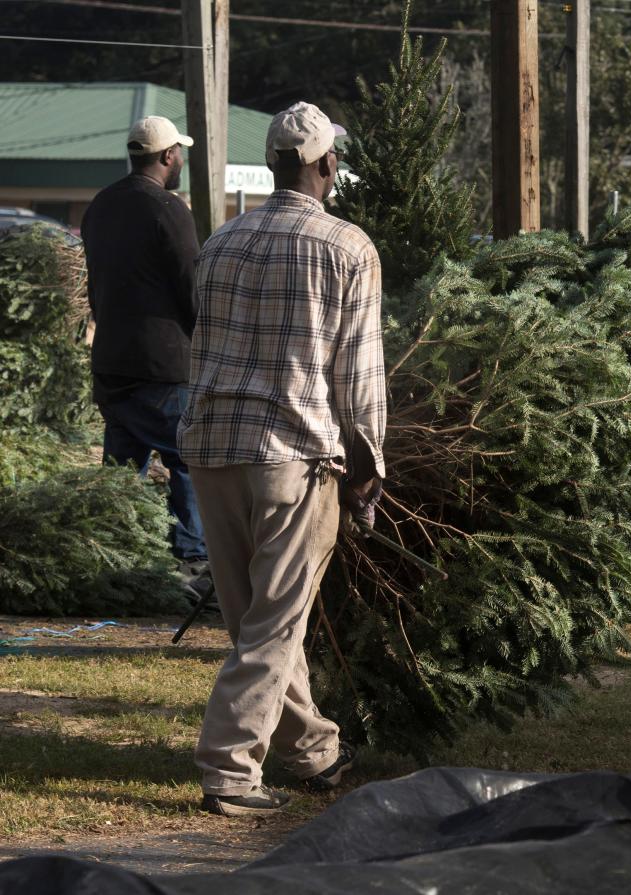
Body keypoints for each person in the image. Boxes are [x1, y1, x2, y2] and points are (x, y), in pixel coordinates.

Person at [178, 101, 386, 816]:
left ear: (272, 165)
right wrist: (366, 473)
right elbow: (359, 381)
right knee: (274, 626)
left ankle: (311, 750)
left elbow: (199, 352)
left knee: (260, 623)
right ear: (327, 165)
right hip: (293, 458)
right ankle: (231, 772)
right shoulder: (347, 247)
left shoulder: (220, 243)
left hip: (211, 452)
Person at [80, 116, 208, 577]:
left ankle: (114, 558)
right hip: (163, 366)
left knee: (119, 474)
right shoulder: (169, 209)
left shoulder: (100, 206)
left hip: (112, 361)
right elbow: (191, 288)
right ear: (168, 156)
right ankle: (191, 559)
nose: (181, 161)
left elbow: (96, 286)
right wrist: (210, 342)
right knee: (189, 461)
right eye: (180, 153)